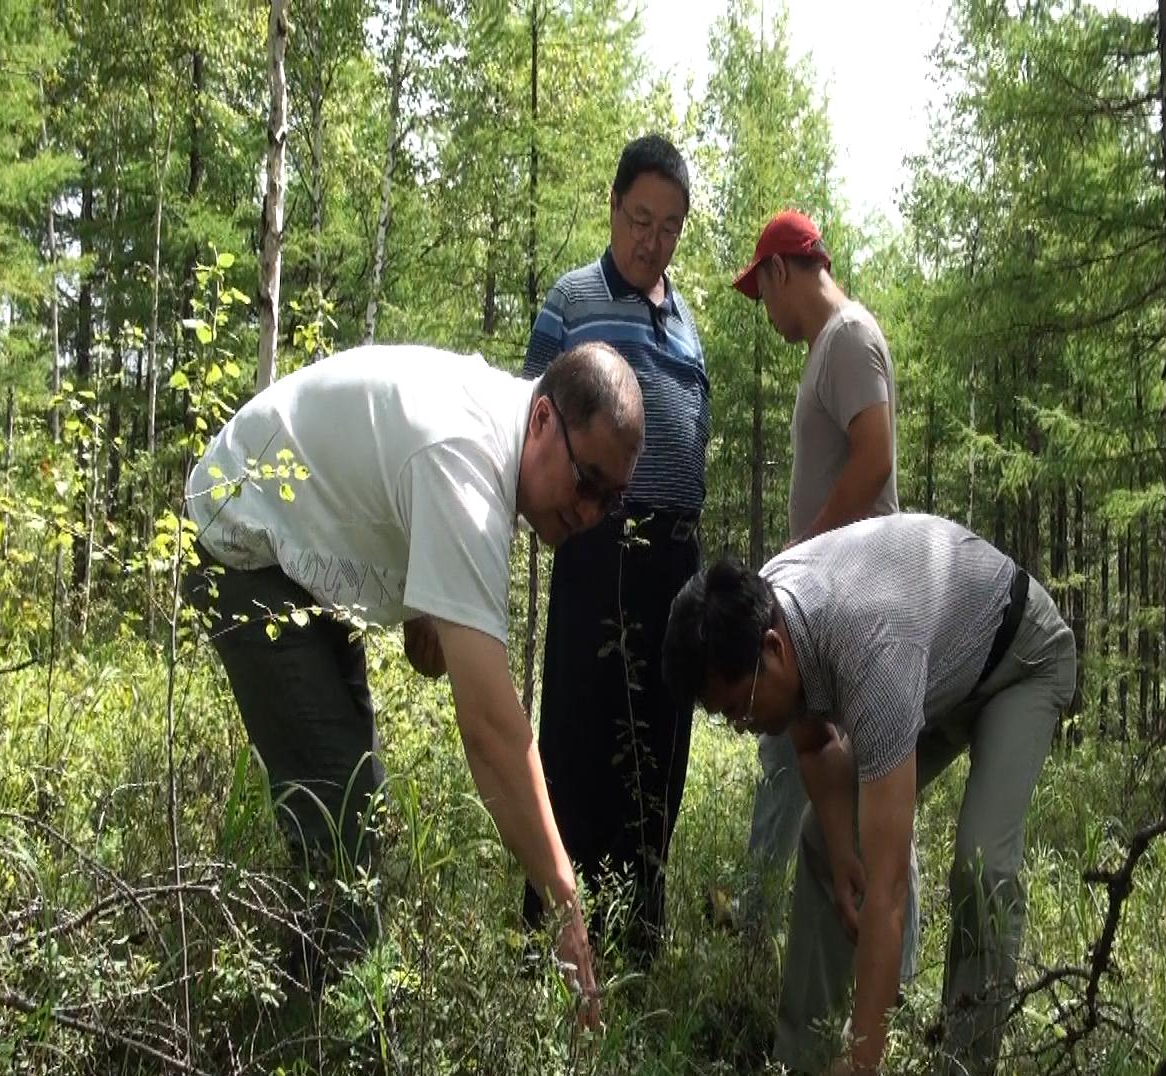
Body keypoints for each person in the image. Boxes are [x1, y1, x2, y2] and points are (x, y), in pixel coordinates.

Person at [183, 340, 645, 1014]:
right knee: (340, 816)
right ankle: (331, 1037)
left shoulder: (499, 435)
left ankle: (308, 1004)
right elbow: (491, 730)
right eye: (586, 482)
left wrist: (424, 600)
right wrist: (566, 904)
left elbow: (436, 641)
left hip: (295, 548)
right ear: (544, 419)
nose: (590, 513)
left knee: (353, 800)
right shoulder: (467, 460)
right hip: (245, 538)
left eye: (612, 499)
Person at [664, 514, 1076, 1076]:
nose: (742, 725)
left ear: (773, 647)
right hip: (934, 673)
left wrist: (863, 1061)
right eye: (726, 715)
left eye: (741, 706)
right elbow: (815, 747)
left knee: (982, 869)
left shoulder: (869, 650)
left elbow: (888, 892)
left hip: (1018, 662)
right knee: (819, 839)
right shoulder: (763, 606)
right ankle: (800, 1063)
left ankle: (961, 1066)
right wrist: (841, 856)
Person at [520, 133, 709, 964]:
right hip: (596, 546)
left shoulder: (688, 323)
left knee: (661, 743)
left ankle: (640, 932)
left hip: (674, 562)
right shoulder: (569, 300)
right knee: (573, 735)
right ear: (613, 207)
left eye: (669, 226)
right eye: (640, 219)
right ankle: (552, 928)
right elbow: (526, 422)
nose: (651, 240)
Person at [731, 209, 916, 957]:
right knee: (805, 762)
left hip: (858, 603)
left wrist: (804, 560)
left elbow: (874, 458)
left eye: (761, 291)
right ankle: (764, 932)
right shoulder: (827, 349)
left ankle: (769, 937)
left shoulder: (847, 338)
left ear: (781, 270)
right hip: (833, 598)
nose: (764, 309)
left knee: (850, 770)